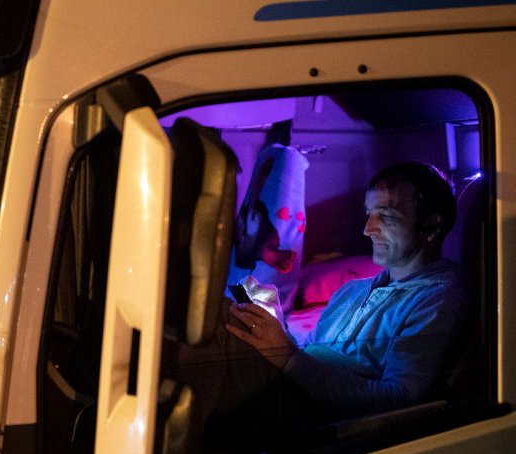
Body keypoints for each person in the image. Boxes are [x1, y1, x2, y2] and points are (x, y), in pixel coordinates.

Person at [179, 161, 471, 427]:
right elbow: (309, 352)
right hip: (290, 386)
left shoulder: (439, 299)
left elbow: (400, 399)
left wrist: (289, 358)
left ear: (431, 225)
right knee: (215, 312)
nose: (368, 229)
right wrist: (275, 324)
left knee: (210, 319)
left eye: (387, 216)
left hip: (310, 412)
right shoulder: (350, 292)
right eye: (369, 214)